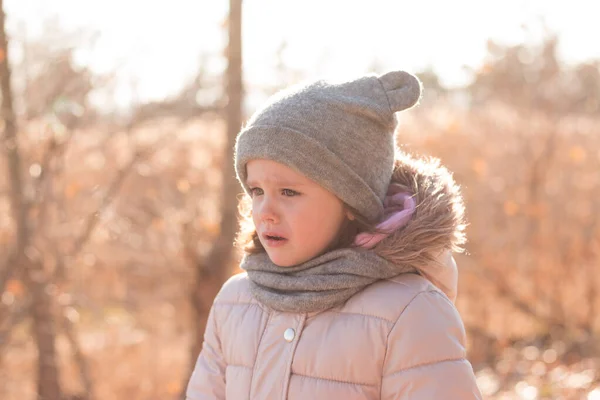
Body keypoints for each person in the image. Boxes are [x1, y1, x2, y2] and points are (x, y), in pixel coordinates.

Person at [186, 70, 483, 399]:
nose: (265, 211)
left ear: (351, 203)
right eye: (256, 190)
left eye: (288, 192)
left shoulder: (409, 312)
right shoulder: (235, 303)